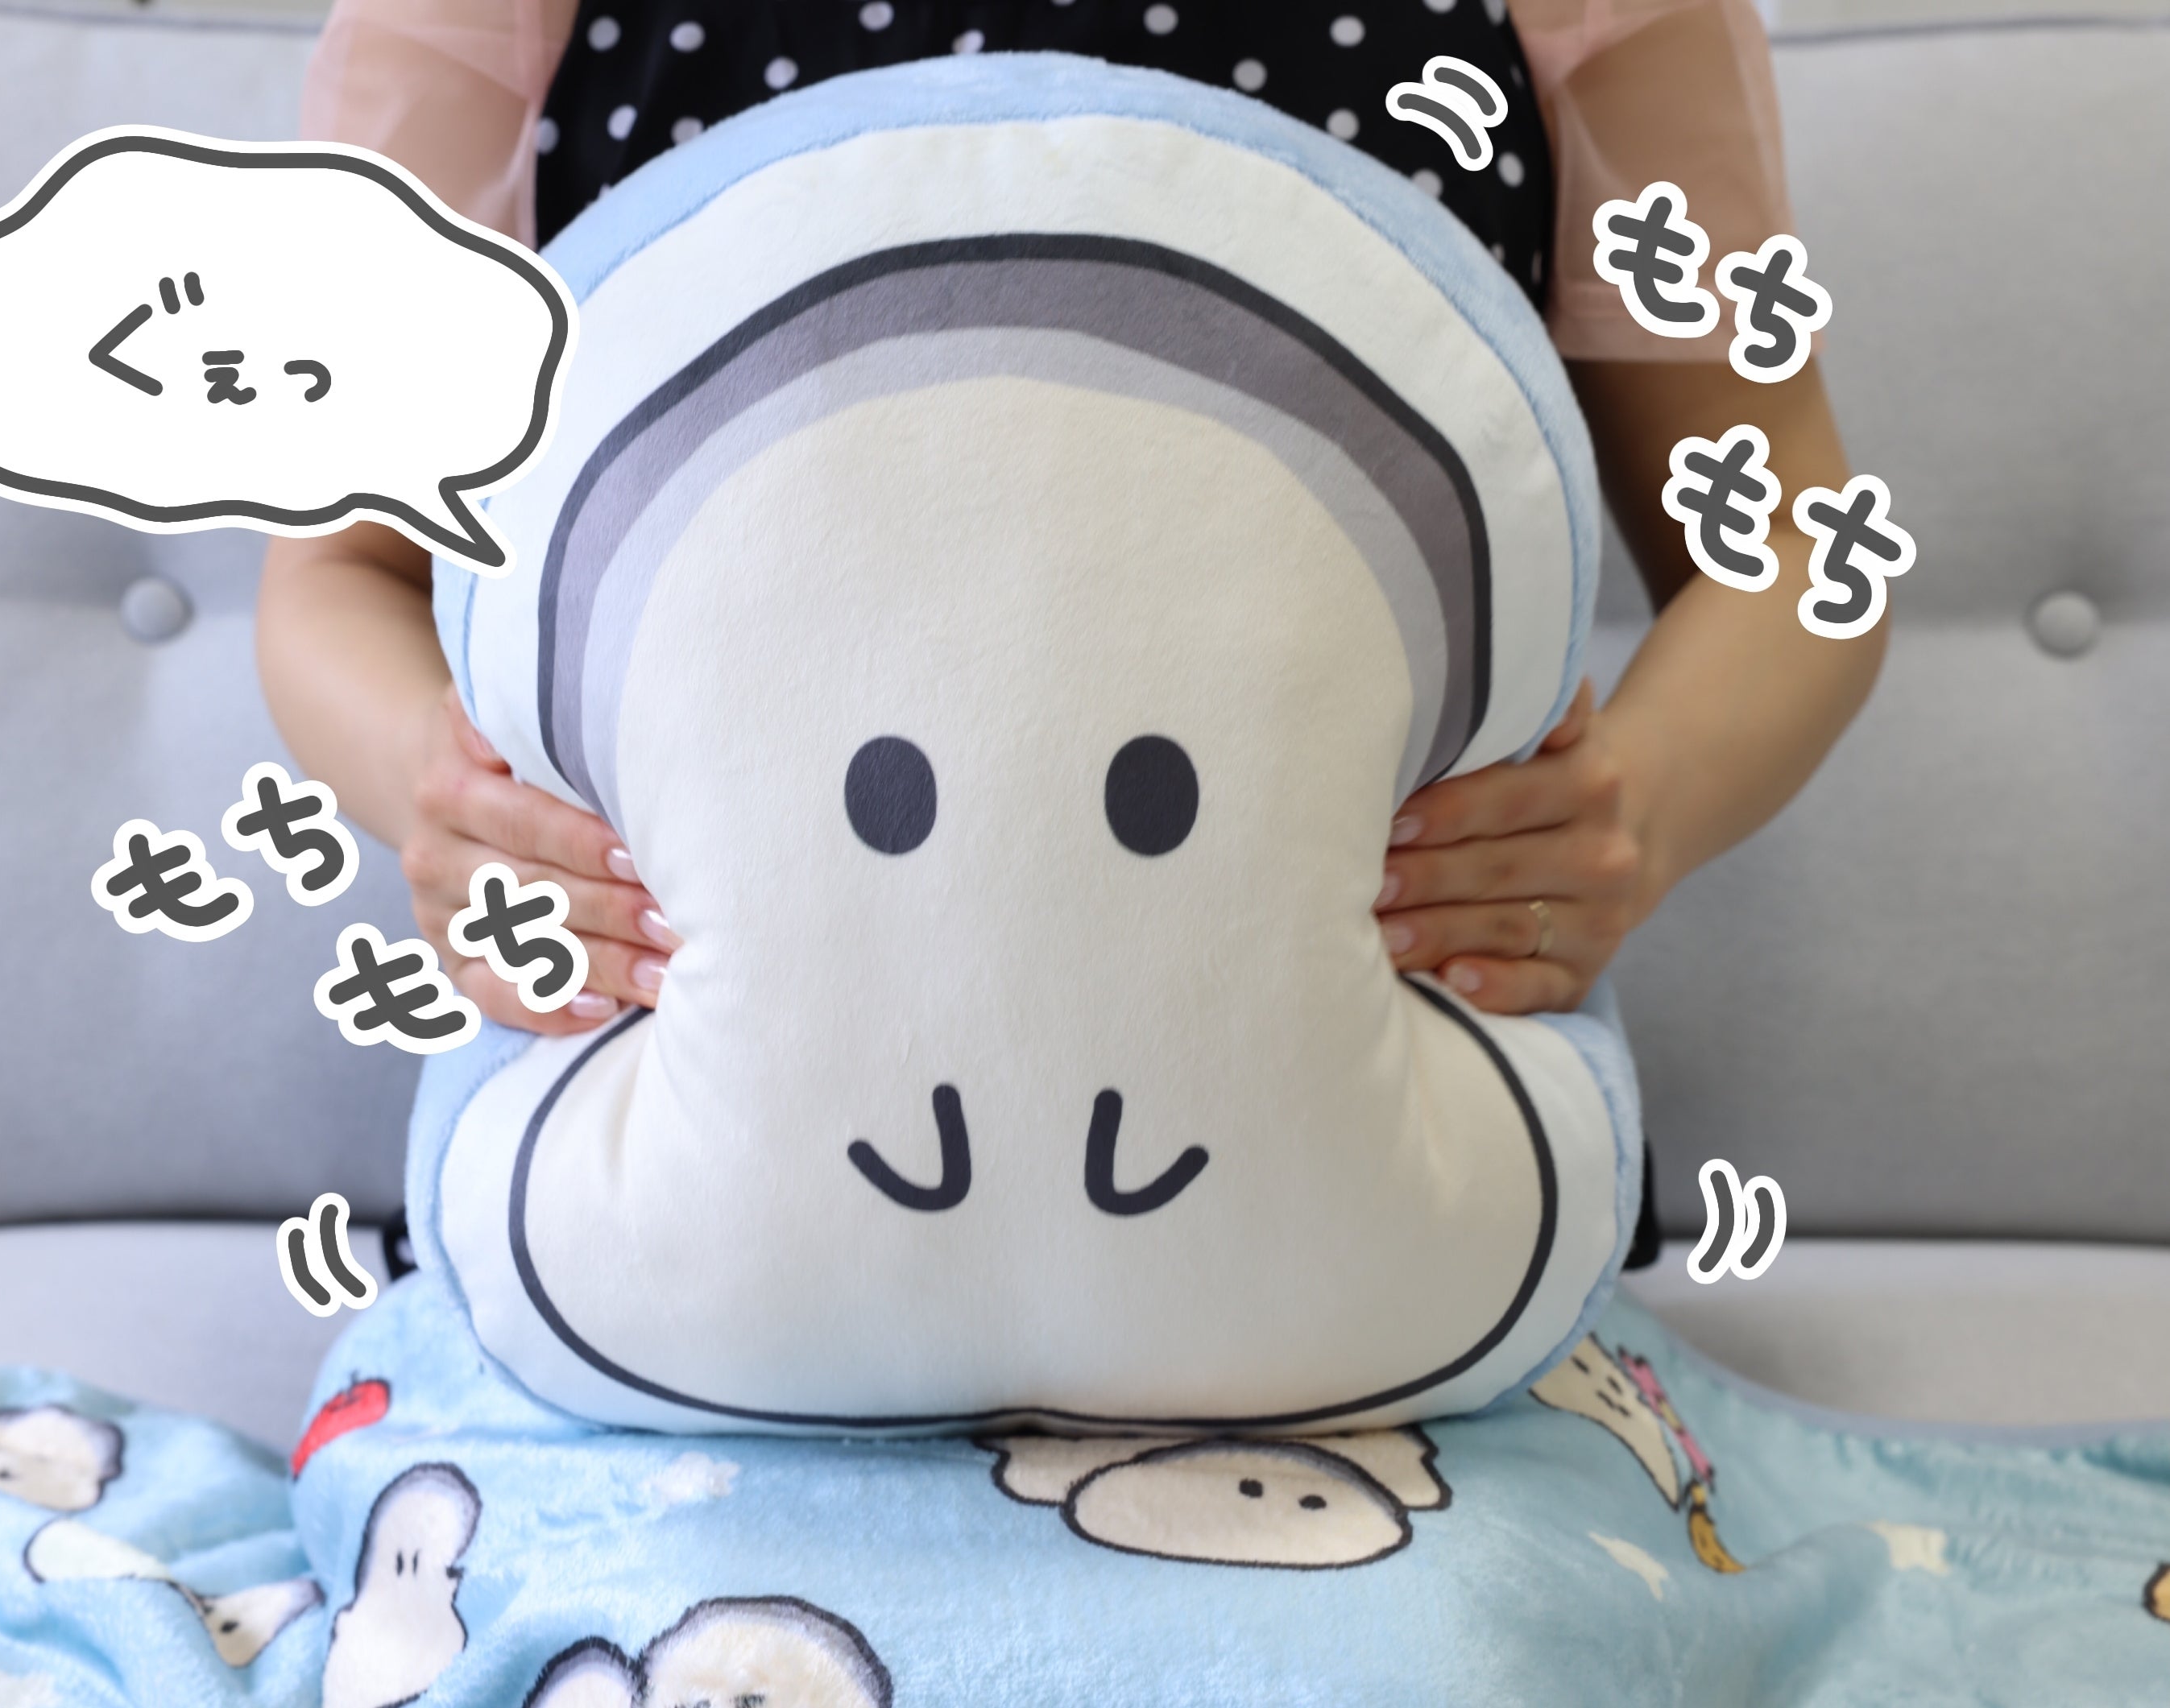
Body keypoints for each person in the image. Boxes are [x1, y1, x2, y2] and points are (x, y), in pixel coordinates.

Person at [259, 0, 1886, 1044]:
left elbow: (1797, 547)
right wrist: (444, 796)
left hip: (1383, 1145)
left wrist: (1627, 814)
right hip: (672, 1130)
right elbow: (335, 570)